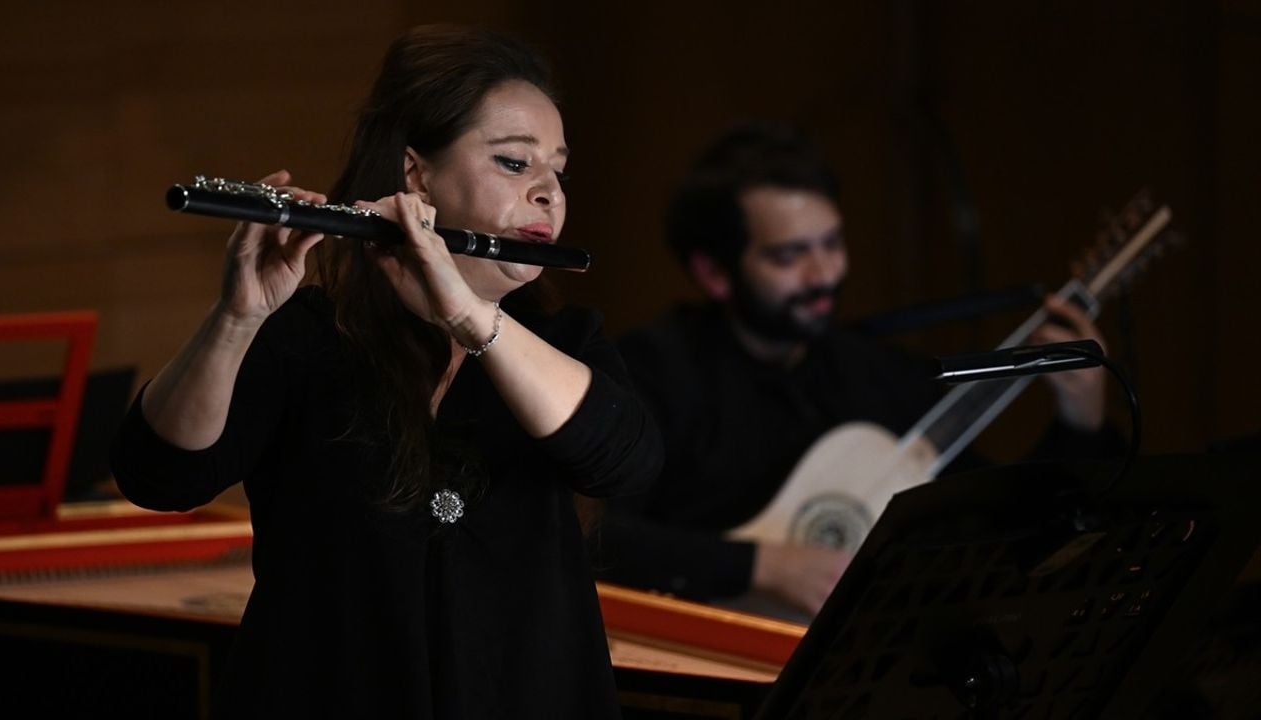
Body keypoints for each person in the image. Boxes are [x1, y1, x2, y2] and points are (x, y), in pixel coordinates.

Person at [111, 26, 661, 718]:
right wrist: (236, 319)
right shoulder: (310, 336)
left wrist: (469, 314)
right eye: (516, 165)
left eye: (559, 170)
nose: (549, 193)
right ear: (416, 175)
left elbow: (626, 459)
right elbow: (159, 476)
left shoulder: (564, 342)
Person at [594, 123, 1120, 618]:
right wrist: (764, 566)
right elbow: (596, 535)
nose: (825, 274)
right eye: (789, 256)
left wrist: (1081, 421)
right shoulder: (655, 370)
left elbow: (1007, 532)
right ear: (713, 272)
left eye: (833, 243)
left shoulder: (876, 374)